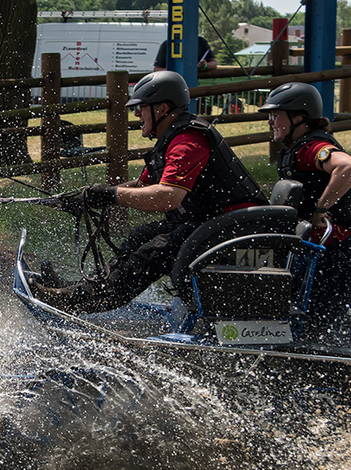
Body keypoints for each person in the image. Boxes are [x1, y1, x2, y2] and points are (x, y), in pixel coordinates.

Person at [33, 69, 265, 313]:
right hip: (211, 226)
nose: (136, 114)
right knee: (141, 236)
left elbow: (167, 197)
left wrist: (109, 194)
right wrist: (87, 197)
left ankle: (72, 301)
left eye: (141, 107)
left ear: (161, 109)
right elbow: (142, 187)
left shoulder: (188, 141)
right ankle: (82, 290)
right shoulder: (172, 138)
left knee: (155, 251)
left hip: (235, 231)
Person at [259, 81, 351, 341]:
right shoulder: (296, 148)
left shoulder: (311, 148)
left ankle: (345, 367)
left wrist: (321, 209)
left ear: (299, 117)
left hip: (338, 250)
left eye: (276, 115)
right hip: (318, 250)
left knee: (319, 328)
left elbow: (348, 167)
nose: (271, 122)